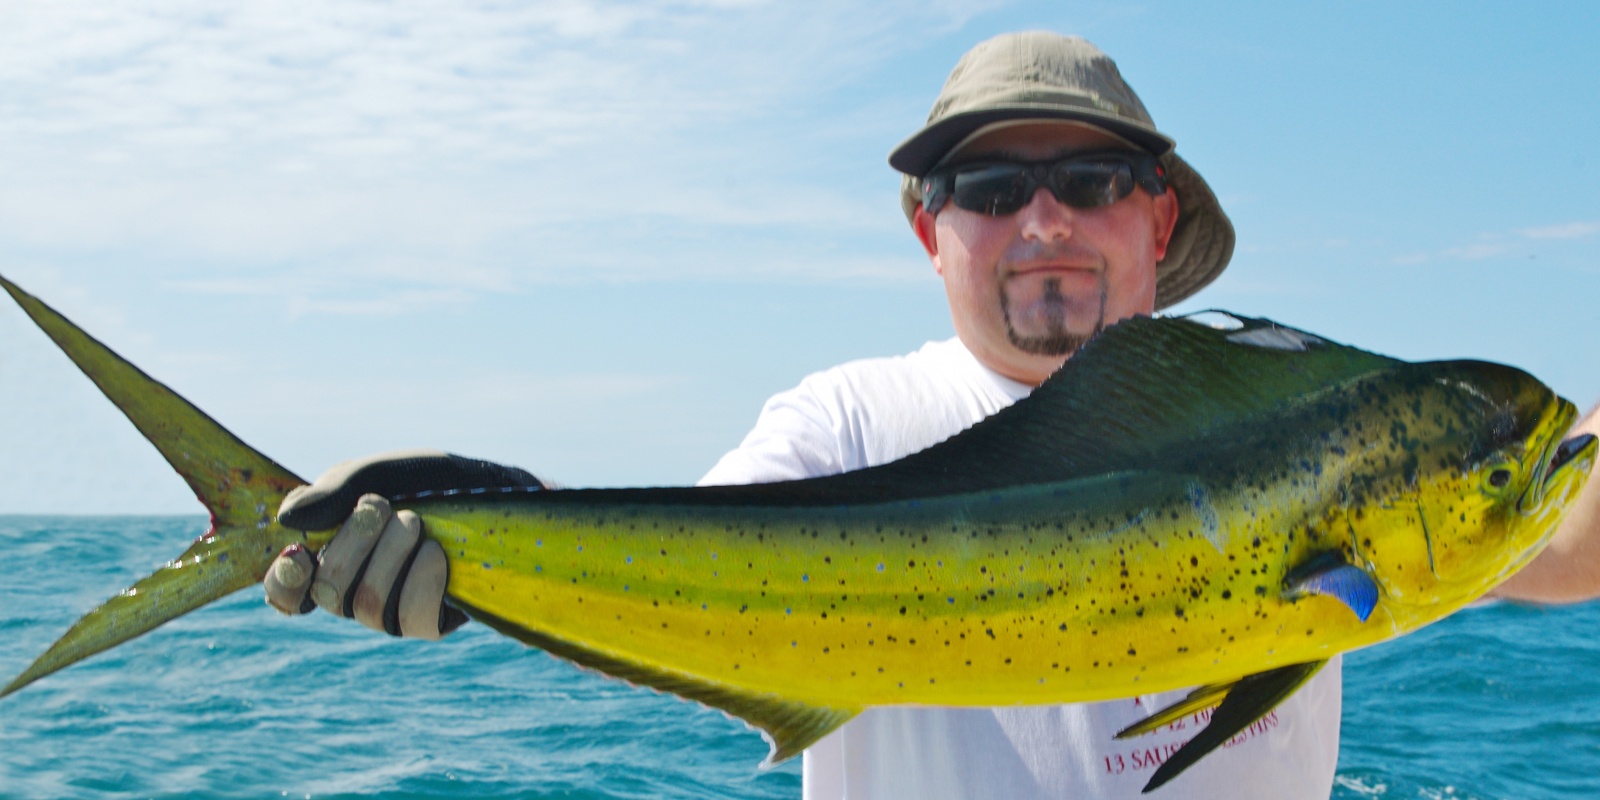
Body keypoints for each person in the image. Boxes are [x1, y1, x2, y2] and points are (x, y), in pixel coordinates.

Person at [262, 32, 1600, 799]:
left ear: (1161, 215)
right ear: (930, 230)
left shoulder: (1310, 445)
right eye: (987, 186)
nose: (1044, 222)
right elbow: (694, 569)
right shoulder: (844, 421)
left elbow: (1565, 535)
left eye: (1090, 175)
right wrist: (479, 532)